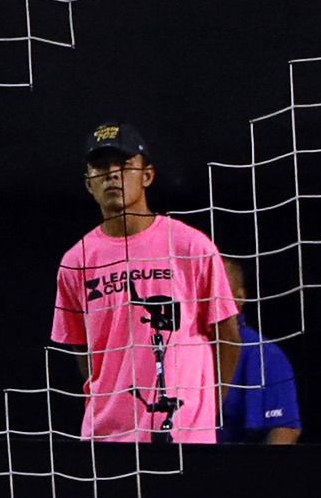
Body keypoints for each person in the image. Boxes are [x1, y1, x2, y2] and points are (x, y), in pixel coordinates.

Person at [51, 123, 241, 443]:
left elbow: (228, 336)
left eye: (123, 165)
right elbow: (81, 347)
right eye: (100, 167)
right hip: (107, 438)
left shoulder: (190, 246)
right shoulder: (76, 260)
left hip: (184, 436)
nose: (112, 174)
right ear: (88, 183)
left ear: (147, 175)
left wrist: (206, 407)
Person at [219, 259, 302, 444]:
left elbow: (285, 428)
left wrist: (264, 472)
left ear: (240, 297)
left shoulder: (266, 355)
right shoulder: (178, 349)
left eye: (221, 293)